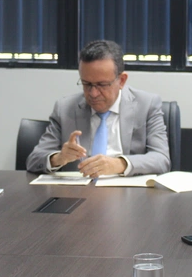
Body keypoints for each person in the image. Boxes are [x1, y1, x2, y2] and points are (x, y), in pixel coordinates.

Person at [25, 39, 170, 177]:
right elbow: (34, 161)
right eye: (86, 84)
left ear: (122, 80)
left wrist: (119, 164)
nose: (93, 93)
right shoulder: (65, 108)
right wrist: (58, 158)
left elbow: (161, 159)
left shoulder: (147, 104)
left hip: (129, 192)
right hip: (80, 194)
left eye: (102, 85)